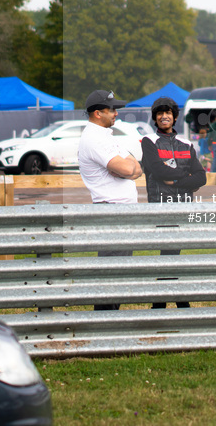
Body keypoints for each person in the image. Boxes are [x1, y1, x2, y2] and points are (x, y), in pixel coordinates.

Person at [78, 89, 143, 311]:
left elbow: (137, 167)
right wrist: (128, 169)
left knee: (119, 271)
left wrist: (129, 170)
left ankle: (109, 320)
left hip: (120, 211)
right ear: (98, 113)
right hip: (111, 211)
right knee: (111, 272)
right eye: (112, 109)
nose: (116, 113)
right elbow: (128, 166)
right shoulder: (94, 138)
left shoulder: (105, 135)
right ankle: (104, 322)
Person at [140, 96, 207, 309]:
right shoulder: (149, 141)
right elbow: (158, 170)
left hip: (183, 206)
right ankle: (171, 302)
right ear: (155, 118)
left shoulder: (187, 144)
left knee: (174, 253)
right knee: (167, 253)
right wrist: (187, 179)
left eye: (167, 113)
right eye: (159, 113)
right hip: (161, 205)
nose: (164, 116)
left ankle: (165, 302)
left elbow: (201, 177)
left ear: (175, 116)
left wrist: (177, 179)